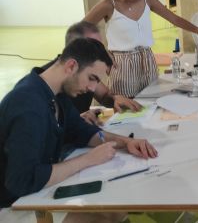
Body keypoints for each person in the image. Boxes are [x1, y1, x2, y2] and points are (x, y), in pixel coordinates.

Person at [0, 38, 157, 222]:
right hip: (13, 204)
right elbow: (22, 180)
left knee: (117, 210)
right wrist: (87, 160)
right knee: (102, 217)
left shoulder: (55, 93)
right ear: (71, 66)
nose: (92, 88)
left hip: (35, 192)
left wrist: (126, 142)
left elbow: (82, 131)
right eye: (92, 78)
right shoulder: (28, 106)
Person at [84, 0, 198, 98]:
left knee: (151, 102)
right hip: (122, 63)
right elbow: (80, 30)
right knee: (125, 107)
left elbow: (174, 18)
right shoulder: (109, 5)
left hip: (147, 58)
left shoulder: (148, 0)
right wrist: (102, 53)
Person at [42, 22, 142, 126]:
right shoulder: (43, 89)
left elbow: (104, 95)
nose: (101, 53)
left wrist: (115, 99)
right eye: (93, 47)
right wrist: (74, 123)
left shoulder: (86, 71)